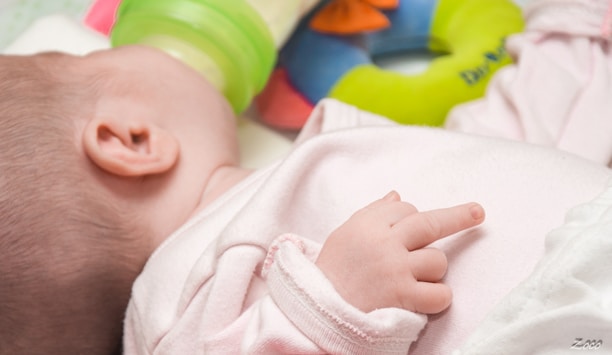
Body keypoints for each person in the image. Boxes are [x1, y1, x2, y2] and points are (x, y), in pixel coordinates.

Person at [1, 0, 611, 354]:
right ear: (130, 139)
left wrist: (571, 36)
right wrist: (328, 307)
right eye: (90, 56)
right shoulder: (168, 305)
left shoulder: (325, 154)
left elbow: (509, 155)